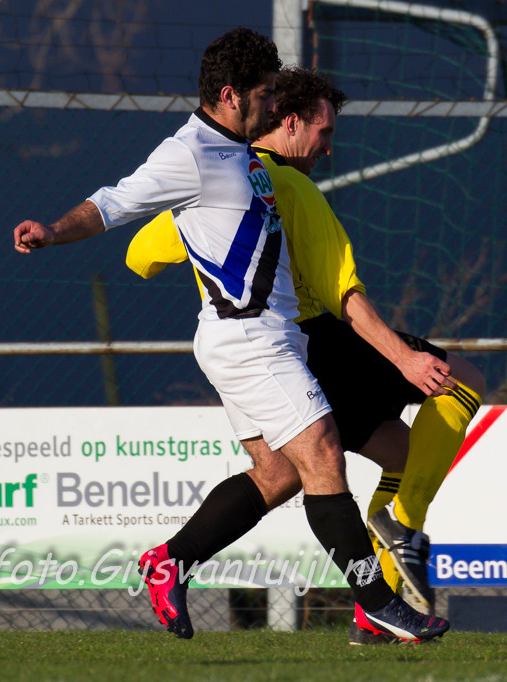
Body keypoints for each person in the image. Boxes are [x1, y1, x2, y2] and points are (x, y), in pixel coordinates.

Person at [12, 28, 448, 644]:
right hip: (249, 339)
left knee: (278, 474)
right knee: (323, 452)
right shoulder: (189, 153)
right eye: (263, 95)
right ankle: (377, 604)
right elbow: (114, 203)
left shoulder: (242, 153)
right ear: (228, 95)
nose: (271, 106)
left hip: (261, 337)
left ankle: (170, 563)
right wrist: (54, 231)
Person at [126, 66, 486, 643]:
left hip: (232, 343)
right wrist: (404, 359)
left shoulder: (220, 178)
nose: (327, 147)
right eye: (324, 132)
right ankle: (398, 537)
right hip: (299, 341)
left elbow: (140, 256)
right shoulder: (291, 187)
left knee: (295, 471)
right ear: (289, 122)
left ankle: (173, 560)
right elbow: (344, 294)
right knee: (460, 380)